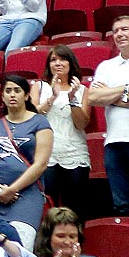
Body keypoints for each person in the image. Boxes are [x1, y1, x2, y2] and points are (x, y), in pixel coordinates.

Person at [84, 15, 129, 219]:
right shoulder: (106, 66)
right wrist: (127, 90)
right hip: (114, 142)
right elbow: (94, 97)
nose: (119, 34)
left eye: (124, 29)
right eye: (115, 31)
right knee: (121, 205)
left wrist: (112, 94)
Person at [0, 75, 53, 229]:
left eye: (17, 90)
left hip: (27, 194)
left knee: (22, 241)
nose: (12, 94)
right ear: (2, 97)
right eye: (8, 91)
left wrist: (12, 190)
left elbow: (41, 164)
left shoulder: (40, 122)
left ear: (26, 96)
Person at [30, 45, 90, 207]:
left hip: (74, 153)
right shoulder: (39, 87)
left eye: (63, 59)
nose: (58, 63)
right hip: (46, 154)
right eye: (53, 60)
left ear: (71, 63)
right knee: (48, 204)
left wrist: (72, 99)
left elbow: (81, 124)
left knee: (75, 205)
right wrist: (53, 97)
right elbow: (32, 117)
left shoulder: (82, 90)